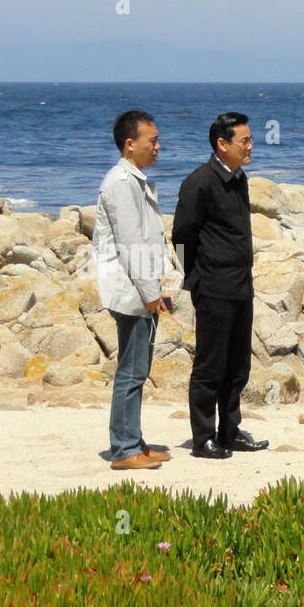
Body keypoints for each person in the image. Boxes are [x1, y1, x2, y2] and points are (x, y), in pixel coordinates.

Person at [172, 112, 268, 459]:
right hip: (213, 287)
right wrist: (195, 279)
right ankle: (203, 439)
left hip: (242, 285)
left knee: (238, 364)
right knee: (210, 366)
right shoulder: (199, 182)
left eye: (251, 139)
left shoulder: (239, 178)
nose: (251, 146)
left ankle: (230, 432)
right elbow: (182, 235)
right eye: (245, 140)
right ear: (222, 144)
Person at [93, 109, 173, 471]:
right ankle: (124, 448)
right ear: (130, 144)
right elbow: (130, 243)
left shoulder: (132, 179)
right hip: (130, 290)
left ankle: (133, 440)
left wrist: (158, 284)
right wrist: (149, 292)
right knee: (131, 369)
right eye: (151, 141)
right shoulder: (121, 183)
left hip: (140, 287)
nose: (158, 147)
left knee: (137, 367)